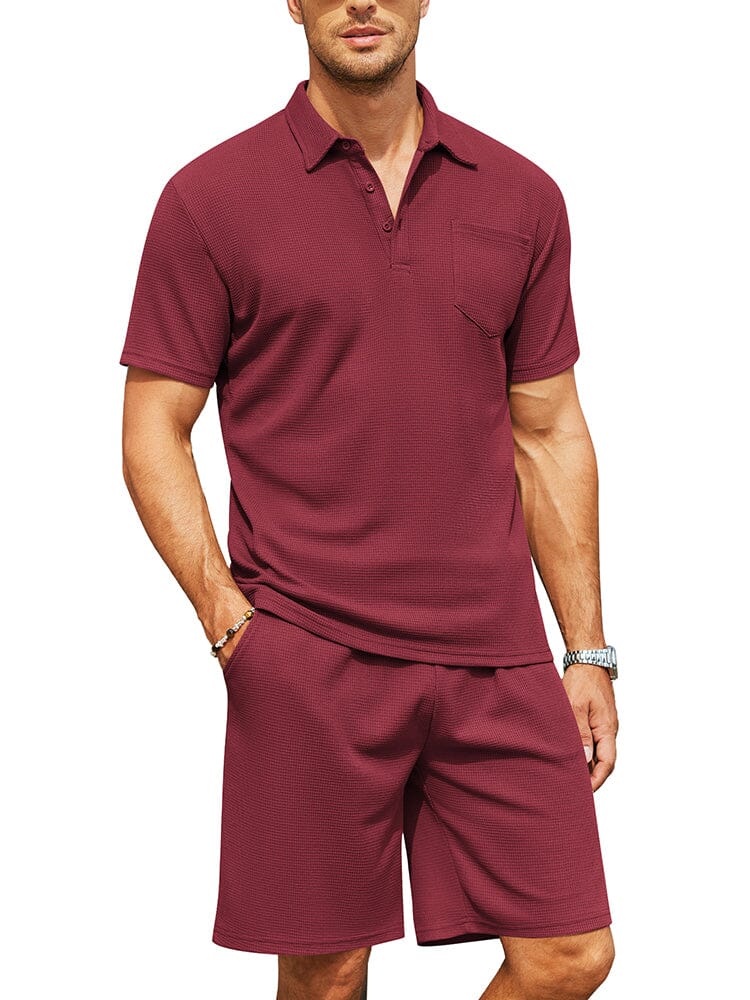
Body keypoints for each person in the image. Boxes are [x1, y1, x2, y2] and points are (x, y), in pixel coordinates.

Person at [119, 1, 619, 997]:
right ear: (292, 1)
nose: (362, 2)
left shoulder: (521, 195)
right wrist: (232, 625)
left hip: (496, 653)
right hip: (309, 648)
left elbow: (549, 430)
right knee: (327, 972)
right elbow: (152, 430)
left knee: (571, 954)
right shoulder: (211, 198)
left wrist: (588, 649)